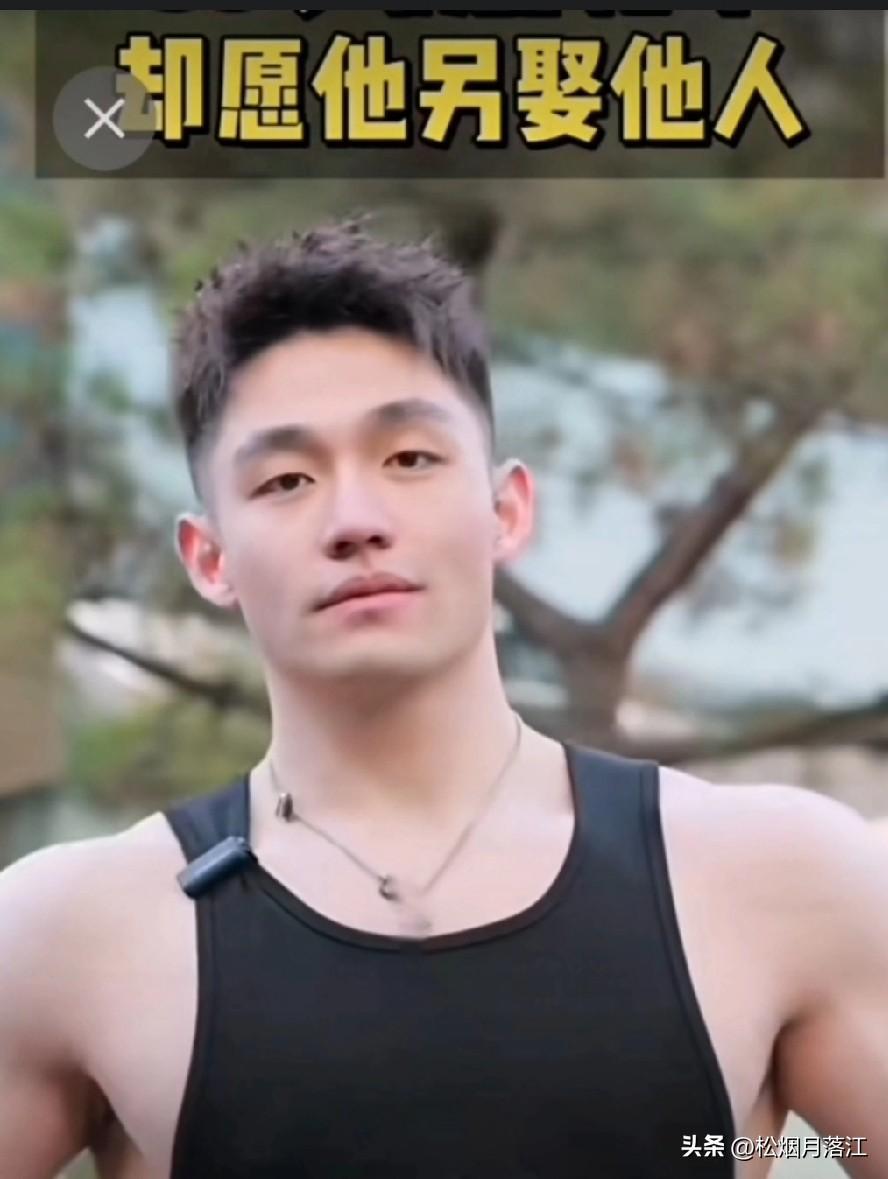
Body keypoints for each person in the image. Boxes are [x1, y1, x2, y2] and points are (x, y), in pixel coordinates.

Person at [1, 219, 885, 1179]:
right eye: (287, 479)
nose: (355, 521)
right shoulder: (75, 935)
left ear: (506, 509)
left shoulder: (778, 881)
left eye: (410, 458)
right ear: (210, 558)